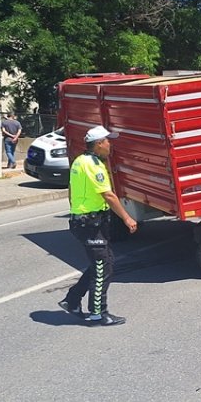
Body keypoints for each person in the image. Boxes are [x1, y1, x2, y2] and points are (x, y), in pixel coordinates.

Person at [58, 125, 138, 326]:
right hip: (89, 224)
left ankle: (72, 300)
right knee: (103, 266)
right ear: (99, 144)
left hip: (85, 221)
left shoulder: (79, 161)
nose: (110, 144)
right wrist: (127, 218)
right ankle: (98, 313)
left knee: (102, 263)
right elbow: (108, 195)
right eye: (107, 141)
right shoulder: (93, 165)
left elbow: (71, 190)